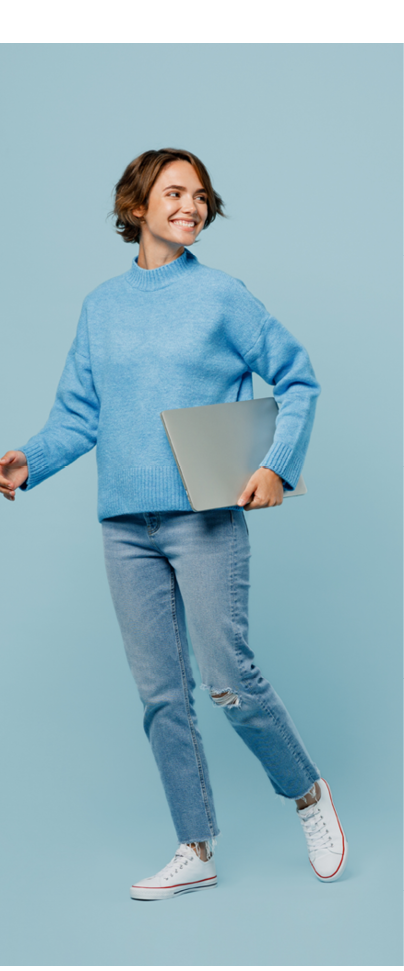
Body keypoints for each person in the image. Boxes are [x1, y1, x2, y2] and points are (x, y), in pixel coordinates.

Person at [0, 147, 347, 900]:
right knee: (161, 695)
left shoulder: (222, 296)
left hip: (204, 517)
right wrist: (32, 459)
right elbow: (79, 414)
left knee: (229, 679)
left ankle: (308, 793)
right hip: (125, 525)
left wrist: (276, 465)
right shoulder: (101, 307)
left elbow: (299, 378)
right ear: (137, 207)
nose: (191, 205)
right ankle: (196, 845)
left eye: (200, 195)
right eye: (175, 192)